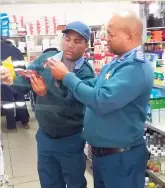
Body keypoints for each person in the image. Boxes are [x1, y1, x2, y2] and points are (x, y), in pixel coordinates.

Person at [42, 12, 154, 188]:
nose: (106, 38)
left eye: (111, 34)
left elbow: (102, 100)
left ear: (129, 36)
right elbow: (94, 84)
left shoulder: (135, 68)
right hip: (104, 156)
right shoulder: (116, 62)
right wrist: (56, 83)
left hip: (122, 159)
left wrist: (67, 77)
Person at [1, 21, 95, 188]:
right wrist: (11, 79)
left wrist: (48, 91)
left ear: (86, 46)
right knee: (49, 182)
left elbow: (80, 100)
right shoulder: (46, 59)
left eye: (77, 41)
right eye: (67, 38)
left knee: (75, 183)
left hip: (71, 139)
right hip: (45, 136)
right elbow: (26, 79)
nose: (70, 45)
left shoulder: (85, 73)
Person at [1, 39, 30, 130]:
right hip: (18, 78)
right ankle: (24, 121)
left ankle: (11, 125)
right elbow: (23, 65)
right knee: (20, 101)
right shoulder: (15, 49)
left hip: (6, 79)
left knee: (8, 102)